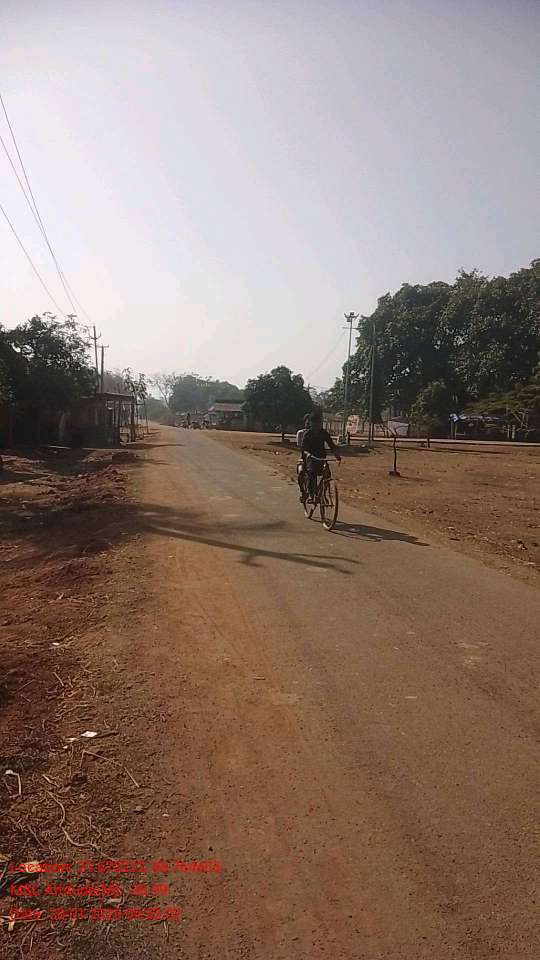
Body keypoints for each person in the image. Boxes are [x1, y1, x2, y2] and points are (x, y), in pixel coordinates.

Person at [301, 413, 341, 501]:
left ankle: (323, 494)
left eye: (319, 422)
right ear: (311, 423)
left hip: (322, 457)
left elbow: (331, 445)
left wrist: (337, 455)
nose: (317, 425)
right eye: (315, 422)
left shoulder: (324, 433)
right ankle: (311, 494)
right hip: (311, 458)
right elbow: (303, 448)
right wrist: (308, 454)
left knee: (327, 475)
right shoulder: (308, 434)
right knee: (312, 474)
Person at [296, 414, 312, 499]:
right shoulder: (301, 433)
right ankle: (303, 492)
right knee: (301, 474)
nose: (309, 424)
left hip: (315, 457)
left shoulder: (318, 433)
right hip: (304, 457)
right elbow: (300, 447)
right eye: (308, 422)